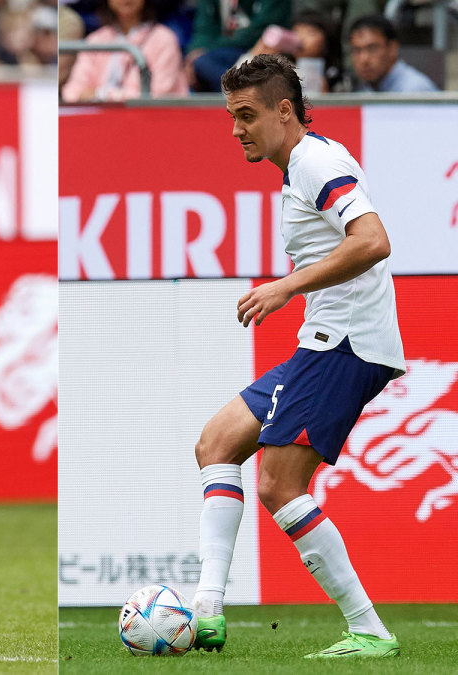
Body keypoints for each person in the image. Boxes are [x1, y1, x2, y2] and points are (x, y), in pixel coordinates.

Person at [193, 53, 403, 658]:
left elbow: (375, 241)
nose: (237, 129)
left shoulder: (316, 161)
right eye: (232, 117)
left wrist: (287, 286)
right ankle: (208, 608)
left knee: (279, 485)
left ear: (285, 111)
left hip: (347, 343)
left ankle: (369, 630)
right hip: (324, 339)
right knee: (216, 443)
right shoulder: (300, 166)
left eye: (247, 116)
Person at [61, 0, 188, 102]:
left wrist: (102, 95)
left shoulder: (164, 38)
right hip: (99, 121)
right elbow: (72, 92)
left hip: (150, 123)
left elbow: (158, 95)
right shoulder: (96, 39)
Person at [184, 0, 291, 91]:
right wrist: (194, 53)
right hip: (219, 52)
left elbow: (262, 29)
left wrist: (208, 49)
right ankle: (237, 93)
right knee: (198, 65)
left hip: (259, 49)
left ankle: (237, 94)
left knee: (203, 64)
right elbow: (203, 29)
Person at [348, 14, 437, 93]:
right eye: (356, 50)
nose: (364, 59)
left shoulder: (414, 90)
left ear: (392, 48)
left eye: (372, 48)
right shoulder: (366, 89)